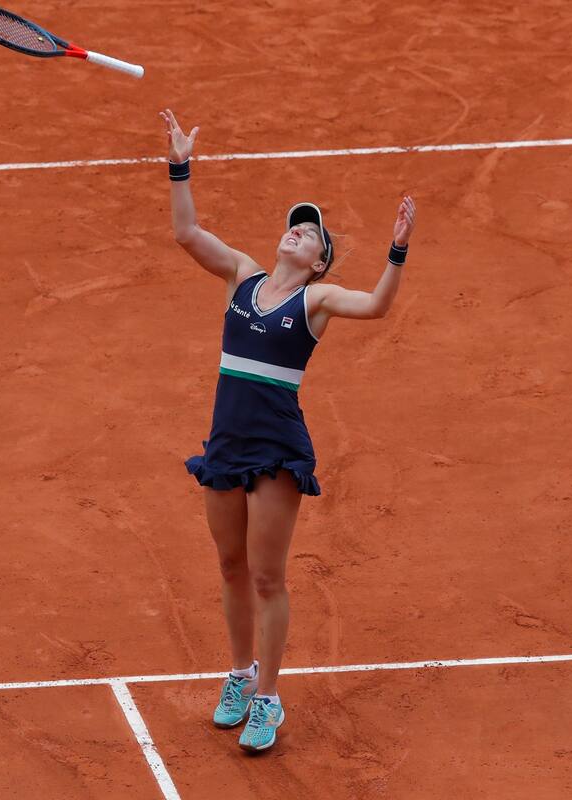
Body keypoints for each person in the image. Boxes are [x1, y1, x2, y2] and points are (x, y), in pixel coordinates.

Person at [160, 108, 417, 752]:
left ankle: (269, 699)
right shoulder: (242, 277)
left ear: (320, 260)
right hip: (225, 442)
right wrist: (179, 165)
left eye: (311, 233)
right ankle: (240, 676)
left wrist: (397, 250)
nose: (299, 232)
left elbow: (379, 306)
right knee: (229, 566)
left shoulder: (316, 302)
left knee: (268, 577)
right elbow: (187, 232)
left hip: (276, 448)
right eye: (295, 226)